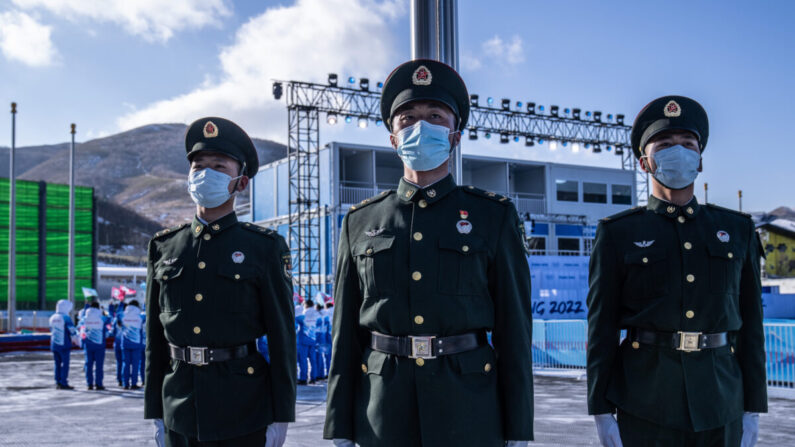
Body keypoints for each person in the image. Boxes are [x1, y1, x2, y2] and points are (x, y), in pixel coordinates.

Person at [323, 59, 534, 447]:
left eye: (435, 116)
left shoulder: (494, 216)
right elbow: (344, 336)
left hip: (469, 409)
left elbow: (515, 331)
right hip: (382, 412)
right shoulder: (359, 221)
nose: (420, 126)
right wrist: (339, 424)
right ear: (392, 137)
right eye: (407, 118)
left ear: (454, 135)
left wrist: (518, 426)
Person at [587, 95, 767, 447]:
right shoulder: (619, 232)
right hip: (644, 402)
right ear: (644, 161)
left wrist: (752, 408)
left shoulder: (737, 229)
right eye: (665, 144)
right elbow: (602, 328)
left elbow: (752, 326)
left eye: (688, 144)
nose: (678, 151)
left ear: (699, 161)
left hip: (722, 400)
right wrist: (601, 411)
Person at [144, 117, 296, 447]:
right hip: (179, 407)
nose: (205, 174)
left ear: (240, 183)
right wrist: (154, 409)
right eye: (198, 167)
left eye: (218, 166)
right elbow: (155, 338)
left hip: (243, 409)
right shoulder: (165, 247)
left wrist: (282, 414)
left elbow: (283, 336)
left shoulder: (263, 248)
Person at [79, 301, 110, 390]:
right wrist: (105, 310)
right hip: (99, 345)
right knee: (99, 366)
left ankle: (89, 384)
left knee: (88, 365)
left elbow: (80, 324)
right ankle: (99, 384)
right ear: (98, 308)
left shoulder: (84, 318)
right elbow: (110, 318)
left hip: (88, 344)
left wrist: (86, 307)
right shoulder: (102, 318)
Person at [49, 299, 79, 390]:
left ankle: (57, 381)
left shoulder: (52, 317)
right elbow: (72, 331)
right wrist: (77, 341)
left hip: (54, 344)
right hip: (64, 344)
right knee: (65, 364)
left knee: (57, 364)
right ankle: (63, 382)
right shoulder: (66, 317)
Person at [120, 299, 145, 389]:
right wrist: (145, 304)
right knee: (135, 365)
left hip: (125, 343)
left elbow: (115, 315)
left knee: (125, 364)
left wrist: (120, 304)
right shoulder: (140, 316)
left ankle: (125, 384)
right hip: (136, 343)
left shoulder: (122, 314)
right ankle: (134, 384)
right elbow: (147, 314)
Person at [295, 300, 318, 385]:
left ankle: (303, 379)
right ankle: (313, 378)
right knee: (313, 360)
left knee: (303, 360)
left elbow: (294, 320)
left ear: (306, 305)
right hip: (313, 340)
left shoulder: (303, 314)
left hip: (303, 340)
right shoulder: (317, 314)